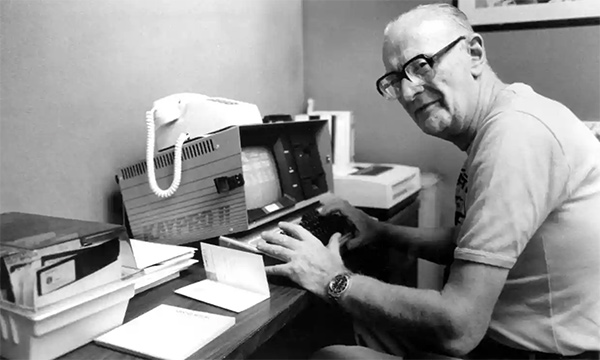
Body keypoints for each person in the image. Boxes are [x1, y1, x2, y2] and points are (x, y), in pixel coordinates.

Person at [257, 3, 600, 359]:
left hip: (532, 352)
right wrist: (380, 231)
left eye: (421, 66)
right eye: (394, 80)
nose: (407, 93)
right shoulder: (512, 116)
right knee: (355, 326)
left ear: (474, 53)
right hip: (501, 335)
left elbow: (459, 327)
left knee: (331, 357)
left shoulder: (516, 136)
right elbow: (471, 241)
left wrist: (333, 278)